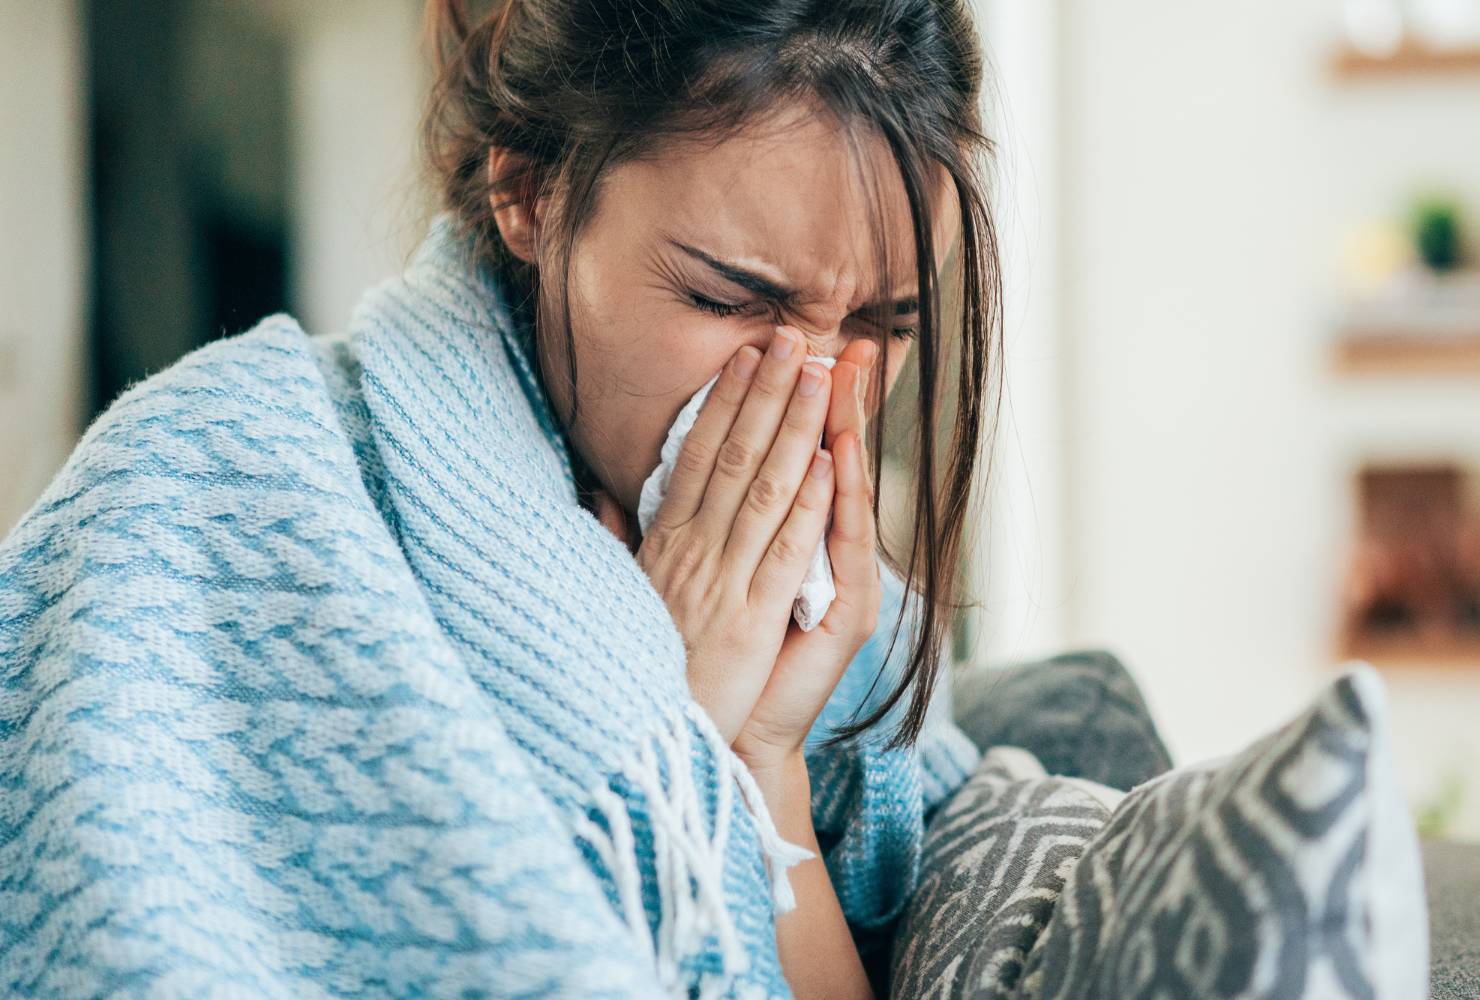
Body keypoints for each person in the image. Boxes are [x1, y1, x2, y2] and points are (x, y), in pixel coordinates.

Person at [0, 1, 1000, 996]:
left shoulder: (853, 655)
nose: (812, 384)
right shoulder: (209, 485)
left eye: (884, 321)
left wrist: (758, 758)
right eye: (730, 300)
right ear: (530, 189)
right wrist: (655, 713)